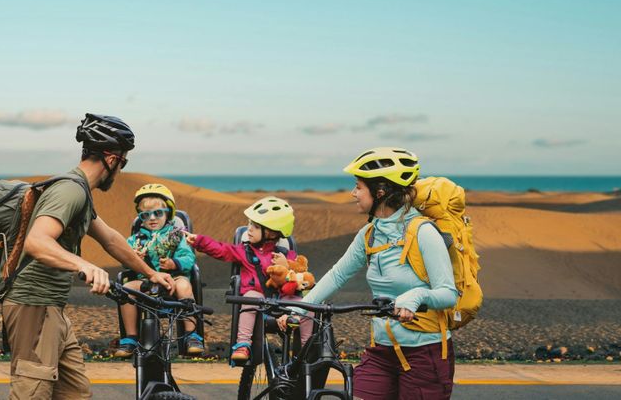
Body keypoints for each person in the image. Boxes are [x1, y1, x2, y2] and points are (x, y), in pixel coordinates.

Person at [1, 113, 176, 400]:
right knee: (32, 393)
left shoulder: (80, 192)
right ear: (110, 158)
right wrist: (84, 264)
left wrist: (150, 273)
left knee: (75, 394)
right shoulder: (70, 190)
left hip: (53, 309)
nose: (121, 169)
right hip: (32, 305)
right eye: (123, 161)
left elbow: (110, 239)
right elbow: (37, 241)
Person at [277, 147, 458, 400]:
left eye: (359, 187)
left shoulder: (423, 232)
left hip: (425, 352)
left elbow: (449, 293)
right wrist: (301, 308)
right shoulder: (369, 234)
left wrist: (415, 297)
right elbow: (338, 275)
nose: (353, 193)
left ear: (380, 191)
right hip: (381, 351)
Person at [185, 196, 312, 362]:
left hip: (284, 301)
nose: (249, 229)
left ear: (271, 232)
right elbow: (222, 250)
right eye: (250, 224)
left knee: (308, 305)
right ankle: (243, 344)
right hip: (259, 304)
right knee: (251, 297)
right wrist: (200, 241)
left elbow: (299, 275)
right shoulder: (244, 251)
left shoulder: (286, 254)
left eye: (255, 226)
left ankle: (306, 349)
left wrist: (286, 264)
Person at [114, 183, 204, 357]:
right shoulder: (135, 239)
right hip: (146, 281)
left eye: (158, 213)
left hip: (174, 279)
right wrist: (134, 259)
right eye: (145, 215)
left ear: (168, 213)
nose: (152, 218)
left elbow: (189, 257)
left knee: (184, 286)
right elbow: (123, 259)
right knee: (126, 289)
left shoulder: (176, 234)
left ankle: (191, 335)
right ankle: (130, 338)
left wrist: (174, 263)